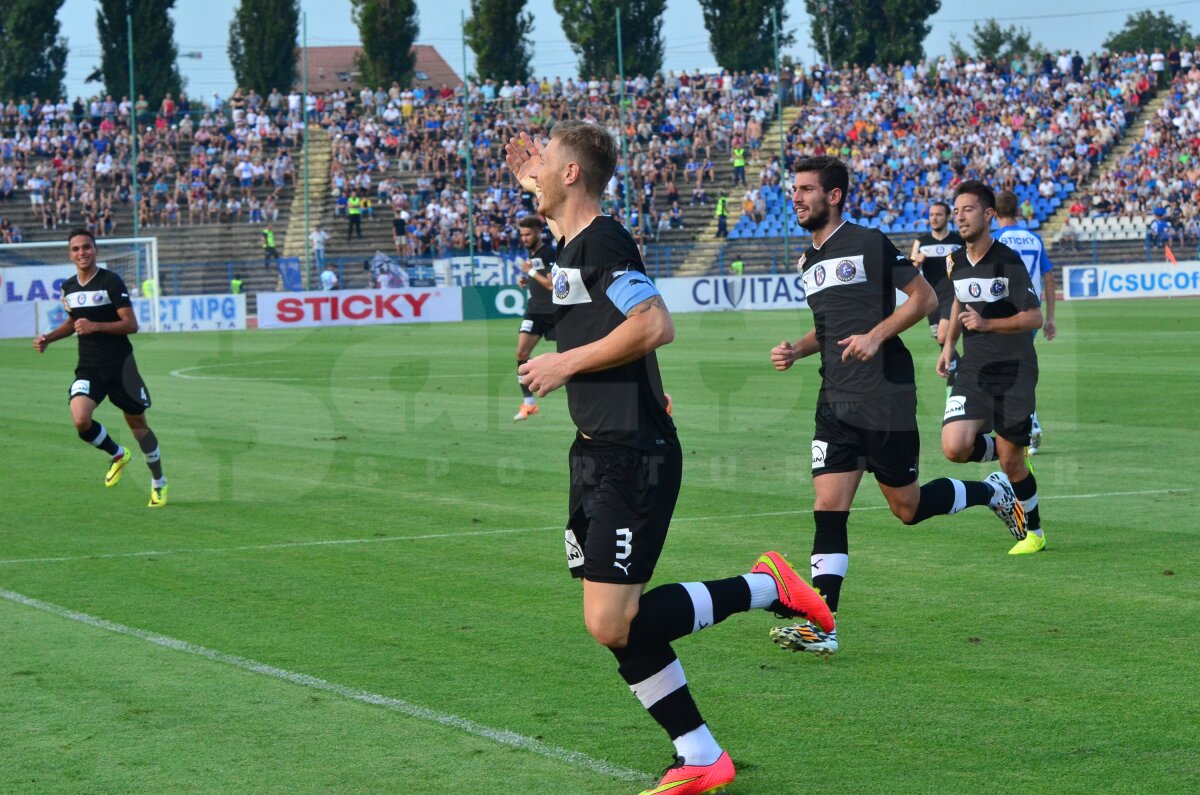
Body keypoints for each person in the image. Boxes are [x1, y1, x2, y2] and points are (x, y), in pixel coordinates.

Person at [506, 122, 832, 795]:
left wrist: (563, 361)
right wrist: (531, 180)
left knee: (610, 620)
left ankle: (768, 588)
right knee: (614, 620)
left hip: (634, 454)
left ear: (573, 174)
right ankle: (701, 753)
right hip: (594, 452)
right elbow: (617, 329)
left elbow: (656, 324)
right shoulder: (572, 246)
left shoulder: (604, 239)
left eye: (546, 164)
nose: (533, 173)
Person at [766, 159, 1025, 657]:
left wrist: (876, 335)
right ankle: (823, 623)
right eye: (793, 189)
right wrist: (800, 349)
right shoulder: (806, 259)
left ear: (835, 196)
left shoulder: (867, 242)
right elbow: (829, 326)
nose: (795, 198)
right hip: (833, 398)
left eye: (805, 190)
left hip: (884, 394)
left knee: (907, 509)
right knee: (828, 509)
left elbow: (924, 298)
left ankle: (990, 492)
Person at [939, 181, 1045, 556]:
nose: (960, 217)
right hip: (975, 366)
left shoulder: (1007, 261)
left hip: (1014, 369)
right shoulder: (954, 261)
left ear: (988, 215)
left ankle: (1034, 532)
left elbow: (1034, 316)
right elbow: (957, 299)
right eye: (956, 211)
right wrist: (950, 345)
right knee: (954, 446)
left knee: (1013, 463)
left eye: (967, 210)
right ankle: (1006, 449)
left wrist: (988, 325)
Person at [33, 228, 168, 507]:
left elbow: (131, 324)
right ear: (70, 254)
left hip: (121, 368)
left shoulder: (111, 281)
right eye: (76, 249)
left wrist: (96, 326)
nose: (81, 253)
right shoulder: (68, 288)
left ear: (95, 251)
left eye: (86, 247)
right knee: (81, 420)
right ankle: (118, 454)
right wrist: (49, 338)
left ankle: (158, 482)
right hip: (89, 368)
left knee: (138, 426)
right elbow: (73, 322)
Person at [993, 190, 1056, 455]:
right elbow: (1049, 277)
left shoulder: (995, 239)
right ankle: (1026, 425)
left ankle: (1029, 426)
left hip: (1005, 314)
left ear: (993, 214)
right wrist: (1050, 317)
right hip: (1031, 313)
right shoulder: (1034, 238)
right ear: (1018, 211)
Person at [910, 201, 965, 397]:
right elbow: (910, 271)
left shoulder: (959, 240)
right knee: (943, 342)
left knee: (943, 336)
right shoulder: (921, 241)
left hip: (952, 294)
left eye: (938, 214)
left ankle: (956, 382)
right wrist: (917, 261)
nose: (934, 218)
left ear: (947, 217)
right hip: (930, 298)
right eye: (931, 214)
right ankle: (957, 379)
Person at [513, 215, 557, 422]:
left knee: (575, 355)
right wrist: (527, 279)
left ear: (539, 232)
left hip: (555, 312)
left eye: (528, 234)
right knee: (521, 352)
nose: (524, 238)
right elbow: (538, 279)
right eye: (522, 235)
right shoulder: (532, 252)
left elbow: (550, 284)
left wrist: (529, 270)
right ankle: (529, 403)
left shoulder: (548, 252)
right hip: (535, 310)